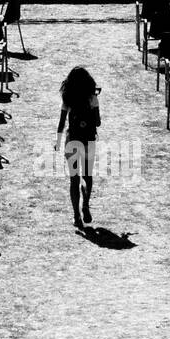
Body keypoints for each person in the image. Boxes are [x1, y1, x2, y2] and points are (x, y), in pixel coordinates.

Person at [55, 66, 101, 229]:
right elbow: (98, 122)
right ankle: (86, 204)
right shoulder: (92, 98)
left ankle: (76, 216)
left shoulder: (67, 98)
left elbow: (61, 123)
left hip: (72, 141)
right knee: (87, 176)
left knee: (74, 180)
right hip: (88, 141)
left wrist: (58, 142)